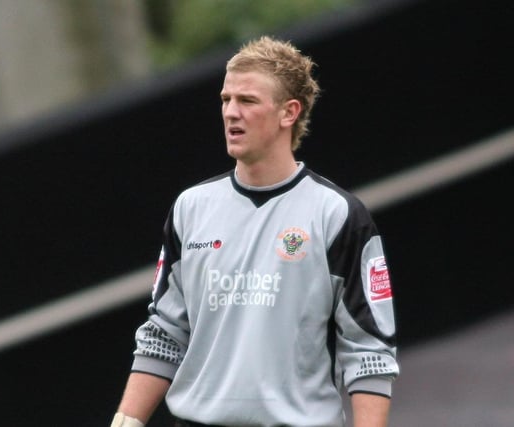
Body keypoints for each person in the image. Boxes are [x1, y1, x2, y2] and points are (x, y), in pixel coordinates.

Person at [111, 35, 400, 427]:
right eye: (226, 100)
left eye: (247, 101)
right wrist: (126, 422)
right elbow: (164, 331)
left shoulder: (337, 214)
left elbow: (368, 349)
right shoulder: (191, 208)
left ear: (289, 113)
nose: (231, 112)